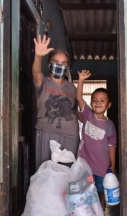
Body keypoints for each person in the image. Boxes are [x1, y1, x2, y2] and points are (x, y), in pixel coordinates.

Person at [32, 35, 80, 169]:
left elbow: (76, 110)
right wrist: (38, 56)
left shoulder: (71, 87)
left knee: (67, 175)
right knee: (46, 174)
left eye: (64, 64)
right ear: (49, 64)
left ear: (68, 67)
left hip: (71, 136)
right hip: (47, 133)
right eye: (56, 62)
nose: (60, 66)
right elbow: (36, 73)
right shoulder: (44, 83)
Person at [76, 70, 117, 211]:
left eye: (102, 101)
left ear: (108, 105)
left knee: (101, 192)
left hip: (102, 167)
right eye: (94, 100)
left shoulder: (109, 125)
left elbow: (112, 146)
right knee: (86, 192)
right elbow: (79, 98)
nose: (98, 103)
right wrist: (81, 80)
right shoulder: (87, 115)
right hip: (85, 165)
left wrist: (113, 165)